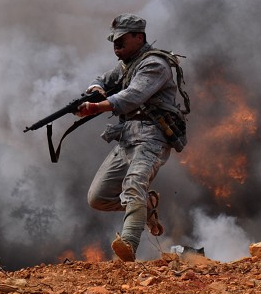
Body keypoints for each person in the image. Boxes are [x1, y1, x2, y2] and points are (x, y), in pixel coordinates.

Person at [76, 13, 182, 261]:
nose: (116, 46)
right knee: (98, 198)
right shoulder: (127, 63)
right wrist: (95, 88)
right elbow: (104, 78)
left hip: (151, 137)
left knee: (134, 187)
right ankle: (147, 206)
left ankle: (128, 246)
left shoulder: (154, 64)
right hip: (126, 137)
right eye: (114, 41)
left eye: (122, 40)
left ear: (139, 37)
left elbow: (133, 96)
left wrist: (96, 107)